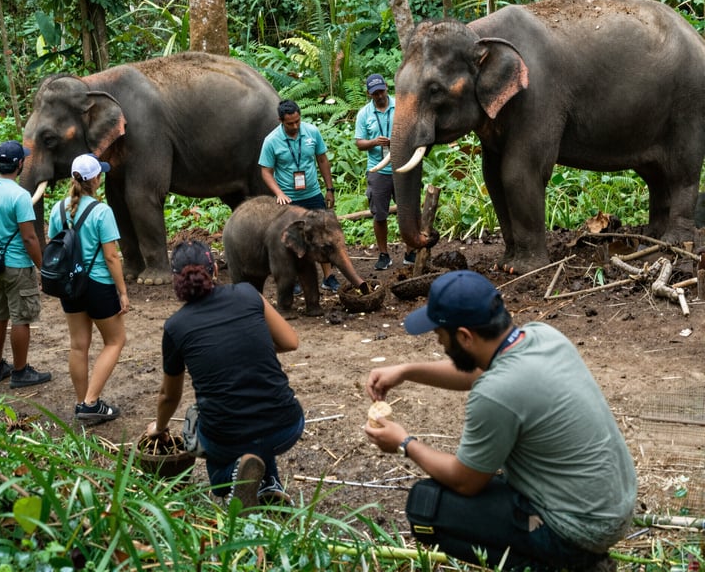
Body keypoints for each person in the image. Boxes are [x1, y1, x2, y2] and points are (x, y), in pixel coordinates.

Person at [364, 270, 636, 572]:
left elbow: (465, 482)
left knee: (425, 507)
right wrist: (406, 371)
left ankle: (568, 563)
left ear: (465, 336)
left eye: (440, 336)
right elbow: (481, 372)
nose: (440, 343)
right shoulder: (542, 336)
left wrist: (404, 443)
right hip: (613, 507)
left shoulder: (495, 393)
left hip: (578, 528)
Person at [146, 240, 304, 509]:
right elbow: (290, 342)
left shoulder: (176, 327)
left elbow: (169, 396)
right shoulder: (248, 294)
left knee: (197, 419)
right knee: (255, 415)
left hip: (227, 438)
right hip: (286, 426)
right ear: (216, 271)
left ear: (175, 280)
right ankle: (268, 484)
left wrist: (158, 428)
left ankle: (227, 479)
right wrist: (248, 347)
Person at [48, 154, 129, 424]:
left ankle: (81, 401)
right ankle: (91, 402)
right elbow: (111, 257)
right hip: (98, 284)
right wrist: (123, 291)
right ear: (96, 179)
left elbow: (55, 245)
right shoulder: (102, 212)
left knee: (78, 345)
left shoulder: (57, 209)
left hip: (70, 284)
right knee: (115, 341)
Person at [0, 141, 52, 388]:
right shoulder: (20, 195)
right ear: (19, 164)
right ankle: (20, 371)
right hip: (17, 264)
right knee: (21, 318)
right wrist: (42, 267)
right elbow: (29, 237)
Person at [259, 99, 340, 292]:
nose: (295, 126)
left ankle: (328, 277)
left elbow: (322, 159)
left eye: (297, 121)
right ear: (280, 121)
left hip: (312, 193)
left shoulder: (312, 132)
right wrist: (279, 193)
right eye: (290, 123)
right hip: (289, 197)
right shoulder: (271, 141)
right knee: (291, 239)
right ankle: (294, 279)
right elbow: (266, 171)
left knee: (322, 234)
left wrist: (329, 189)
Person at [354, 73, 415, 270]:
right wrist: (374, 142)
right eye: (375, 93)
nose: (379, 95)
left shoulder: (401, 106)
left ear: (386, 87)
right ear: (369, 94)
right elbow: (359, 143)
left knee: (408, 211)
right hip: (378, 169)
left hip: (402, 166)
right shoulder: (364, 114)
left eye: (381, 91)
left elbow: (413, 130)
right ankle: (383, 254)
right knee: (379, 214)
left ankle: (411, 251)